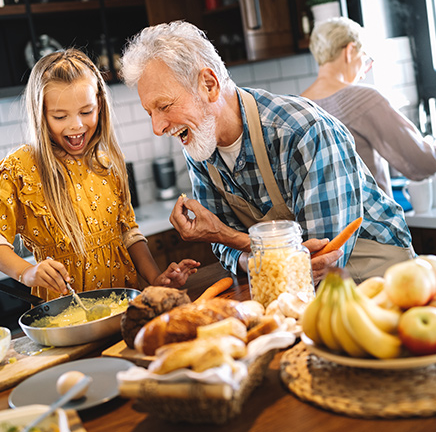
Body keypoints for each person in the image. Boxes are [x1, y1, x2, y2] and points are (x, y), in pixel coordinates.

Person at [120, 20, 415, 284]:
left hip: (377, 281)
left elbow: (321, 257)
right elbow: (231, 252)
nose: (157, 127)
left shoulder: (301, 131)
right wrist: (252, 257)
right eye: (149, 113)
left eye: (164, 106)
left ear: (209, 85)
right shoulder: (200, 143)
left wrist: (227, 236)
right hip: (303, 293)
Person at [0, 48, 199, 301]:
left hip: (124, 304)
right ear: (40, 116)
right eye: (60, 116)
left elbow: (129, 233)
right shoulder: (21, 168)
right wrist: (27, 272)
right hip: (66, 315)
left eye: (86, 111)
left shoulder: (108, 162)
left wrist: (155, 279)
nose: (76, 125)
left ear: (99, 105)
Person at [302, 16, 436, 197]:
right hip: (370, 222)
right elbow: (423, 163)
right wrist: (429, 143)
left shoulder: (296, 106)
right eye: (364, 58)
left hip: (321, 224)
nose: (364, 74)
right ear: (349, 51)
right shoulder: (363, 98)